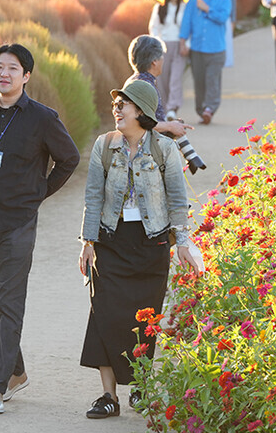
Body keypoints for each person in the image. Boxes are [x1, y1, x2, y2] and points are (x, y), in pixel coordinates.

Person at [0, 43, 81, 415]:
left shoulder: (42, 118)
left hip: (18, 223)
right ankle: (16, 370)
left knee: (9, 302)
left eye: (13, 68)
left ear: (26, 76)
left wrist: (39, 193)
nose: (4, 73)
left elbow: (69, 157)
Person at [77, 79, 197, 419]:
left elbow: (177, 199)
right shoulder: (105, 145)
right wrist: (87, 242)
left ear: (141, 111)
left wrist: (183, 243)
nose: (116, 108)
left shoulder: (164, 148)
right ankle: (107, 396)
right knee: (104, 314)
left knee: (146, 320)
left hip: (151, 242)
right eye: (116, 104)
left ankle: (141, 385)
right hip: (110, 241)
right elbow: (93, 197)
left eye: (123, 104)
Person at [126, 35, 206, 173]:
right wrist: (169, 126)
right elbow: (140, 122)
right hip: (145, 152)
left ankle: (192, 158)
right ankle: (192, 157)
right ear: (154, 62)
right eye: (162, 56)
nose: (164, 60)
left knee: (176, 125)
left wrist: (172, 125)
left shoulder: (135, 80)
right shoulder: (144, 85)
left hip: (143, 144)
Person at [178, 0, 232, 126]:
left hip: (216, 48)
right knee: (199, 81)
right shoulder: (194, 0)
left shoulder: (224, 0)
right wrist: (183, 42)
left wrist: (207, 9)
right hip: (197, 49)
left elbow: (223, 18)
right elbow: (186, 22)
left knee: (212, 80)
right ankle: (202, 110)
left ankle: (210, 108)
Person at [149, 0, 186, 118]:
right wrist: (156, 43)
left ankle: (172, 108)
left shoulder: (184, 7)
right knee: (162, 80)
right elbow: (153, 27)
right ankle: (163, 110)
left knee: (175, 78)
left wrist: (186, 45)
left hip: (179, 46)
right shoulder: (159, 8)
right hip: (162, 47)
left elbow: (189, 28)